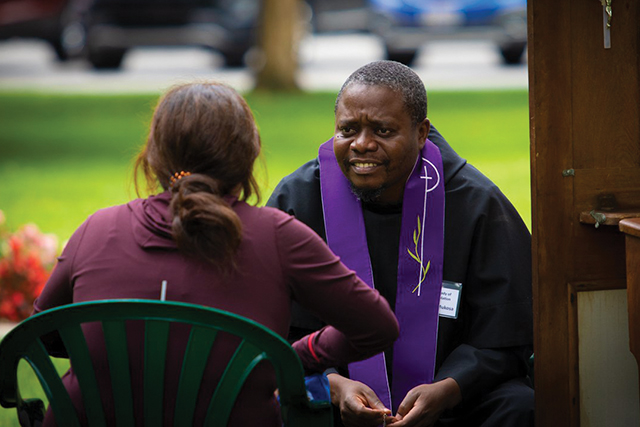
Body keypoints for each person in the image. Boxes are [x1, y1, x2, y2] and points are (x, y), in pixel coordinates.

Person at [33, 82, 400, 427]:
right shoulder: (277, 236)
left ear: (154, 155)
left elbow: (44, 335)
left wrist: (125, 356)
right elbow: (377, 327)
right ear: (248, 156)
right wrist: (295, 356)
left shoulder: (96, 229)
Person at [267, 60, 534, 427]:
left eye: (382, 130)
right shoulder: (298, 200)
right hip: (333, 402)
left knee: (519, 406)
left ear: (421, 132)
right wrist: (334, 384)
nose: (362, 144)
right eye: (348, 129)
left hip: (452, 403)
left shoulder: (476, 205)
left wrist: (450, 387)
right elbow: (274, 332)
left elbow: (506, 337)